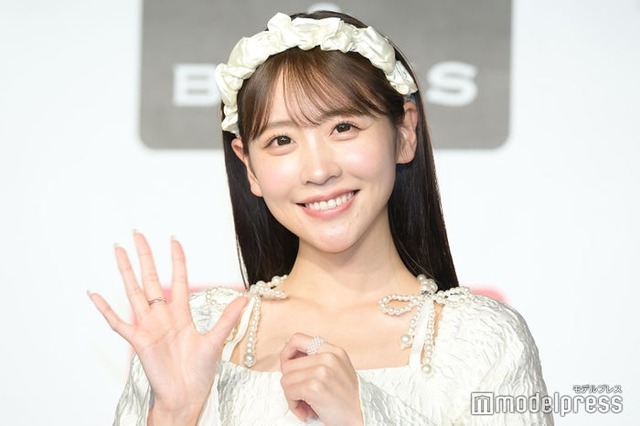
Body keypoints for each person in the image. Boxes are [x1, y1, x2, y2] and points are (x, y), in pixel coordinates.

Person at [89, 10, 552, 425]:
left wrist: (363, 415)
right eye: (281, 141)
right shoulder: (201, 332)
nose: (318, 170)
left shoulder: (482, 340)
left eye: (343, 127)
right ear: (249, 166)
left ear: (405, 131)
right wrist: (175, 413)